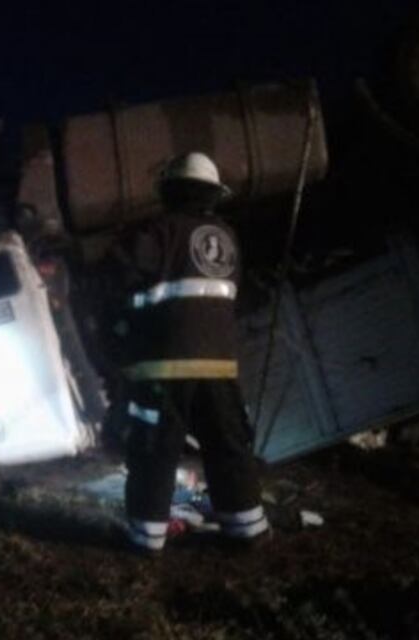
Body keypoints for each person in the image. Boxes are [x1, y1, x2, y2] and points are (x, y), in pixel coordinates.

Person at [107, 151, 269, 553]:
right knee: (228, 447)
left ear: (169, 189)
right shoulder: (228, 238)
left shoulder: (154, 233)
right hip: (219, 365)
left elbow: (118, 285)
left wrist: (121, 338)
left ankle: (146, 537)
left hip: (163, 366)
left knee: (155, 450)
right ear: (212, 195)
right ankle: (247, 530)